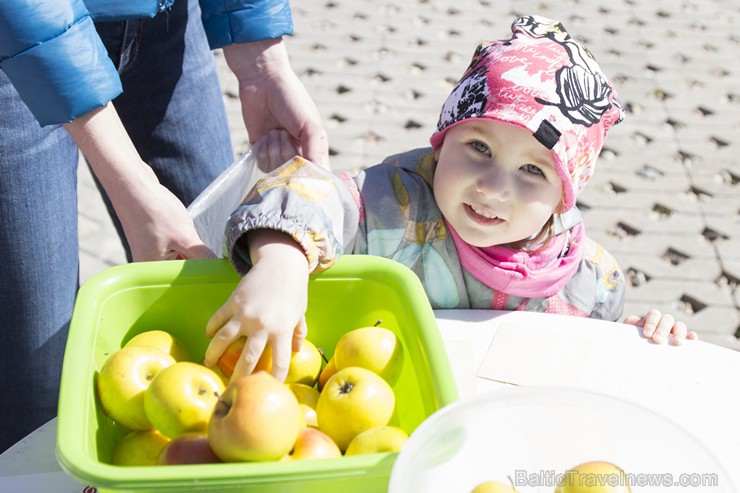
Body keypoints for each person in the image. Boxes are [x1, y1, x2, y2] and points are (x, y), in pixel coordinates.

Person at [201, 15, 698, 383]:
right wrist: (281, 264)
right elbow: (306, 190)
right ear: (443, 141)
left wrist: (638, 336)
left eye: (532, 170)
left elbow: (593, 361)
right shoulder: (391, 205)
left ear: (565, 196)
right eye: (478, 147)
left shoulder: (588, 279)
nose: (493, 187)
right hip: (375, 418)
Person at [0, 0, 327, 452]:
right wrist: (132, 183)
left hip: (164, 19)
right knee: (38, 377)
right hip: (13, 46)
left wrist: (262, 65)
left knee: (221, 291)